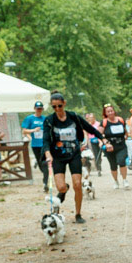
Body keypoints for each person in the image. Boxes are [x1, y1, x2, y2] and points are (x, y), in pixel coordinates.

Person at [42, 91, 97, 224]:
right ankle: (64, 190)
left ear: (64, 104)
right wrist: (48, 153)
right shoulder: (49, 120)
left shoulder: (73, 117)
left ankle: (78, 214)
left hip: (74, 154)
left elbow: (89, 128)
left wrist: (103, 139)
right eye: (54, 106)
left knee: (77, 185)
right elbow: (45, 140)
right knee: (61, 187)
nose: (57, 109)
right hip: (58, 156)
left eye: (59, 106)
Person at [22, 101, 49, 191]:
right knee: (41, 164)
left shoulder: (45, 119)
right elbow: (24, 131)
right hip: (35, 145)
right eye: (38, 108)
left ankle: (45, 182)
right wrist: (33, 130)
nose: (39, 110)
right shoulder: (29, 118)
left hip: (44, 144)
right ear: (34, 109)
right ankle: (41, 169)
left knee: (45, 163)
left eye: (41, 108)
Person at [100, 103, 129, 188]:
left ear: (114, 111)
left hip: (121, 145)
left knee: (121, 161)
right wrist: (105, 142)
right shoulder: (104, 122)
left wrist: (126, 135)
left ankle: (124, 180)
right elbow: (99, 134)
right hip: (110, 147)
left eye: (111, 111)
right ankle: (116, 181)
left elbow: (125, 131)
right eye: (108, 111)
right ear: (105, 113)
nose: (110, 113)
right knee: (113, 165)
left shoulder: (120, 120)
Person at [84, 112, 104, 177]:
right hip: (92, 141)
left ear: (94, 118)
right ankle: (98, 169)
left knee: (99, 155)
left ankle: (99, 164)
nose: (91, 119)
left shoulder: (98, 124)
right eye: (90, 118)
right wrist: (86, 142)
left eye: (92, 118)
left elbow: (100, 133)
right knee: (95, 155)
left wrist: (101, 141)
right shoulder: (88, 125)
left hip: (98, 140)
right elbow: (86, 134)